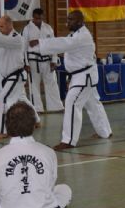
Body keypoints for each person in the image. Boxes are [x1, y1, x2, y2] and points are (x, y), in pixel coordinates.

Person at [30, 10, 112, 151]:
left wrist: (40, 43)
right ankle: (105, 131)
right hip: (81, 75)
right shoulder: (75, 35)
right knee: (93, 104)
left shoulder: (82, 36)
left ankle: (68, 140)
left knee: (72, 103)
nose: (67, 22)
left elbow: (63, 43)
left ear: (80, 21)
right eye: (68, 19)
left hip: (84, 77)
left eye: (71, 20)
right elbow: (67, 46)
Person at [22, 8, 64, 114]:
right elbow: (23, 48)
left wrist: (54, 60)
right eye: (36, 18)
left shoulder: (48, 28)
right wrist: (25, 63)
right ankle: (37, 108)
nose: (38, 20)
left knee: (52, 82)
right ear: (33, 17)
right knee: (34, 85)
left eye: (40, 18)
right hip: (33, 61)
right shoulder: (27, 29)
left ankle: (56, 106)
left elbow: (53, 45)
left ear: (42, 17)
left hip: (47, 60)